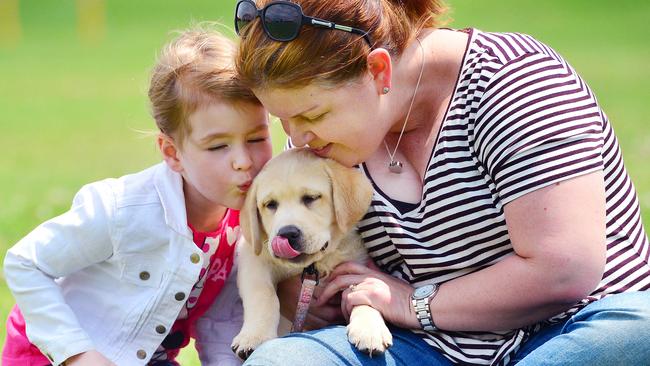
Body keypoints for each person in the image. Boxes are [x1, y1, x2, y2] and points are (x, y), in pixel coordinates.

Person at [232, 0, 650, 365]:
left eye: (312, 115)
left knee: (638, 331)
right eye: (283, 119)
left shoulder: (513, 82)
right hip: (421, 348)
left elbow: (564, 270)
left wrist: (411, 304)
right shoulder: (326, 145)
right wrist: (311, 297)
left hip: (572, 332)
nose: (298, 137)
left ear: (378, 71)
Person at [2, 27, 272, 366]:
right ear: (172, 152)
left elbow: (219, 322)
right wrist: (77, 354)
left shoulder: (246, 225)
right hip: (51, 358)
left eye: (257, 138)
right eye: (218, 146)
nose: (243, 161)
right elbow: (25, 262)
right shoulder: (122, 209)